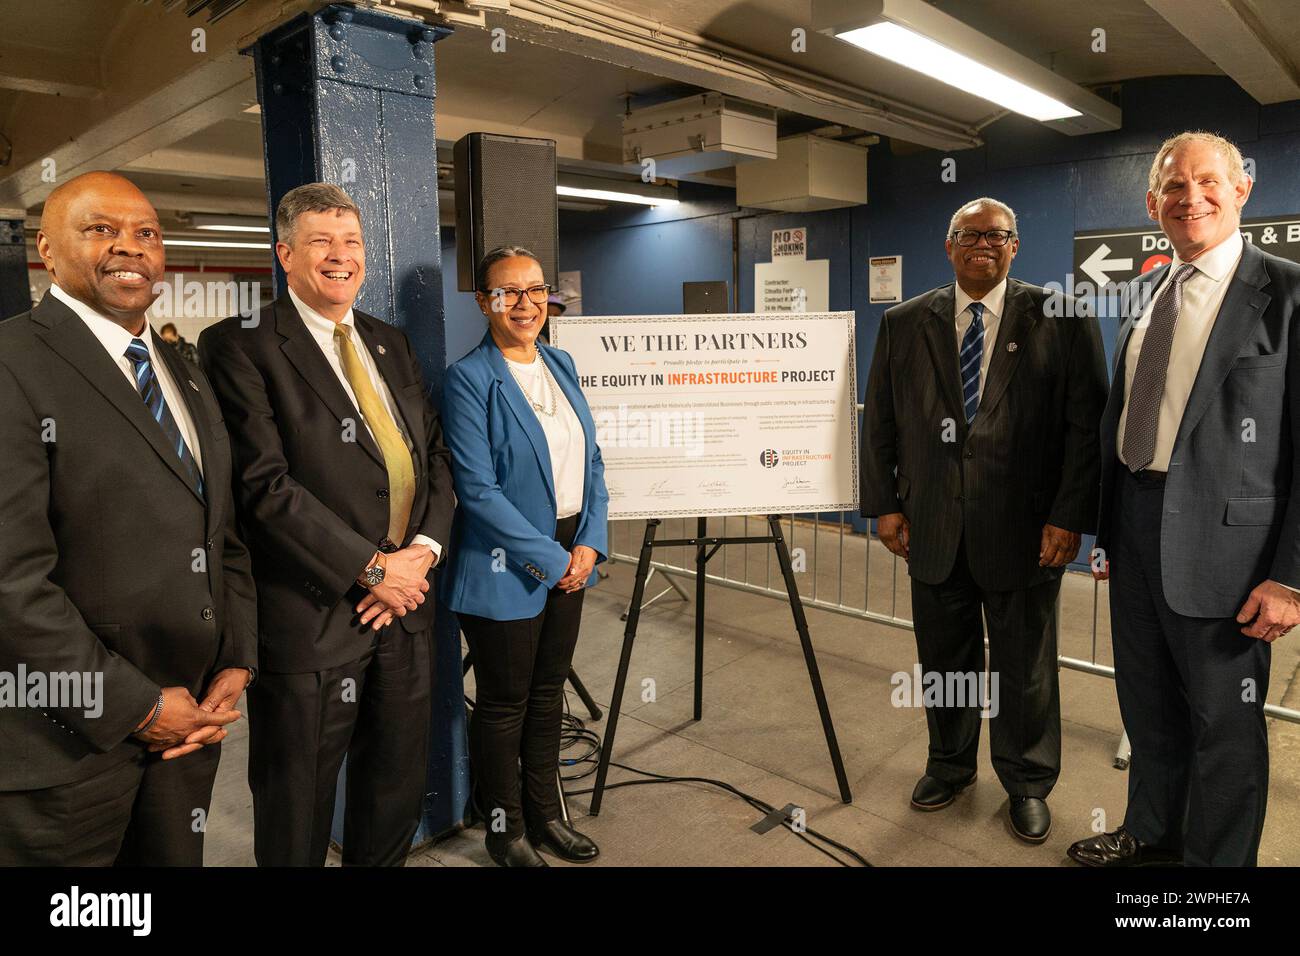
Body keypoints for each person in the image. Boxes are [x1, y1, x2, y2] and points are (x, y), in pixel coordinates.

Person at [0, 171, 256, 865]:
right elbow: (11, 585)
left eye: (146, 232)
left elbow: (222, 531)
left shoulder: (182, 367)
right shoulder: (11, 363)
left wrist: (236, 658)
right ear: (47, 251)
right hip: (66, 747)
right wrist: (136, 706)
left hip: (190, 730)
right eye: (101, 230)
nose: (130, 247)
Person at [198, 183, 455, 867]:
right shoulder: (239, 346)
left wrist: (420, 556)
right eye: (321, 242)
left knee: (394, 789)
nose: (341, 257)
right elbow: (263, 487)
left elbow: (432, 459)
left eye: (352, 242)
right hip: (311, 621)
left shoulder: (388, 343)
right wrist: (372, 570)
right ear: (285, 253)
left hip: (407, 609)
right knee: (296, 805)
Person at [1069, 132, 1300, 868]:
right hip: (1136, 532)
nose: (1189, 197)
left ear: (1241, 192)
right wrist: (1109, 532)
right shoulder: (1152, 293)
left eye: (1207, 182)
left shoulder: (1288, 294)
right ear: (1151, 204)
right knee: (1147, 706)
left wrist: (1291, 576)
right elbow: (1128, 418)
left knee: (1223, 728)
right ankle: (1149, 834)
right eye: (1173, 185)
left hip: (1231, 556)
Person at [861, 197, 1107, 844]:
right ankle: (948, 765)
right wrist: (884, 504)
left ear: (1015, 246)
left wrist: (1069, 516)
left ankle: (1027, 782)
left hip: (1028, 531)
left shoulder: (1064, 317)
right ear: (948, 245)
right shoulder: (903, 322)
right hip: (933, 526)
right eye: (969, 234)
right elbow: (880, 421)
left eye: (996, 235)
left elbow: (1086, 430)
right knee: (945, 659)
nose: (982, 244)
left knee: (1024, 665)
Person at [441, 245, 608, 867]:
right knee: (505, 705)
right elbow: (477, 491)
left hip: (573, 554)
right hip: (504, 564)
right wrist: (552, 558)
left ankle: (546, 817)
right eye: (508, 292)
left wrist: (588, 543)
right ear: (485, 302)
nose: (525, 303)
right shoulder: (470, 379)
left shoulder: (561, 363)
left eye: (535, 290)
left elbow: (591, 461)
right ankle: (505, 831)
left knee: (547, 697)